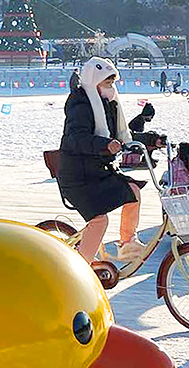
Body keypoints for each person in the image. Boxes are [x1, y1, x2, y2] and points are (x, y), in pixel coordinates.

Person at [55, 58, 143, 264]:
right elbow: (74, 138)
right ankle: (80, 269)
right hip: (78, 176)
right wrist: (104, 145)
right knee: (99, 220)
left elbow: (121, 135)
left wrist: (151, 140)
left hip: (98, 171)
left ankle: (128, 244)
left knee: (133, 190)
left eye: (112, 83)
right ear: (94, 82)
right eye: (106, 83)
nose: (110, 88)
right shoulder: (81, 103)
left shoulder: (108, 105)